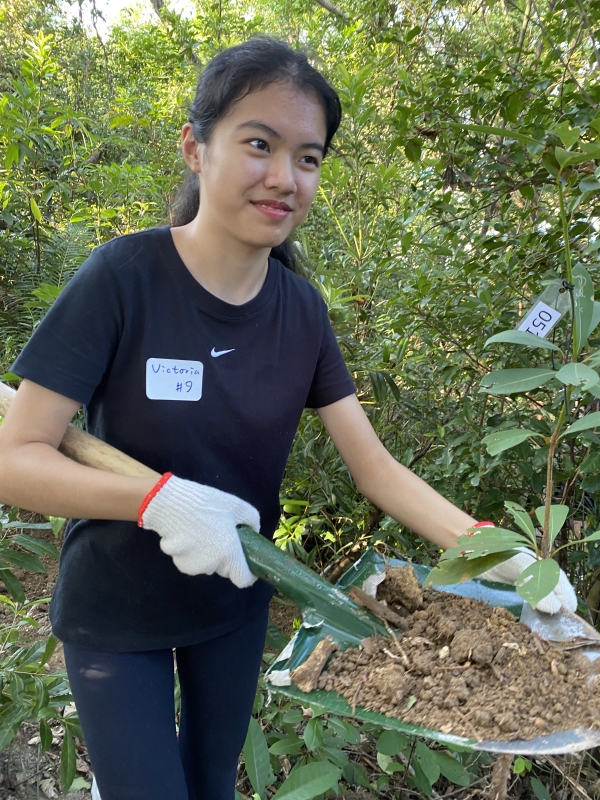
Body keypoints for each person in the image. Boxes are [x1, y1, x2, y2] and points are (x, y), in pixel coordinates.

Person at [0, 37, 576, 800]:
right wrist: (155, 500)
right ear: (196, 149)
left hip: (235, 599)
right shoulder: (123, 278)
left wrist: (500, 554)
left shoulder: (300, 311)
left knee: (212, 787)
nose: (284, 177)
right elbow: (18, 460)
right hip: (116, 606)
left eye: (308, 157)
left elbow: (378, 470)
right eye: (259, 144)